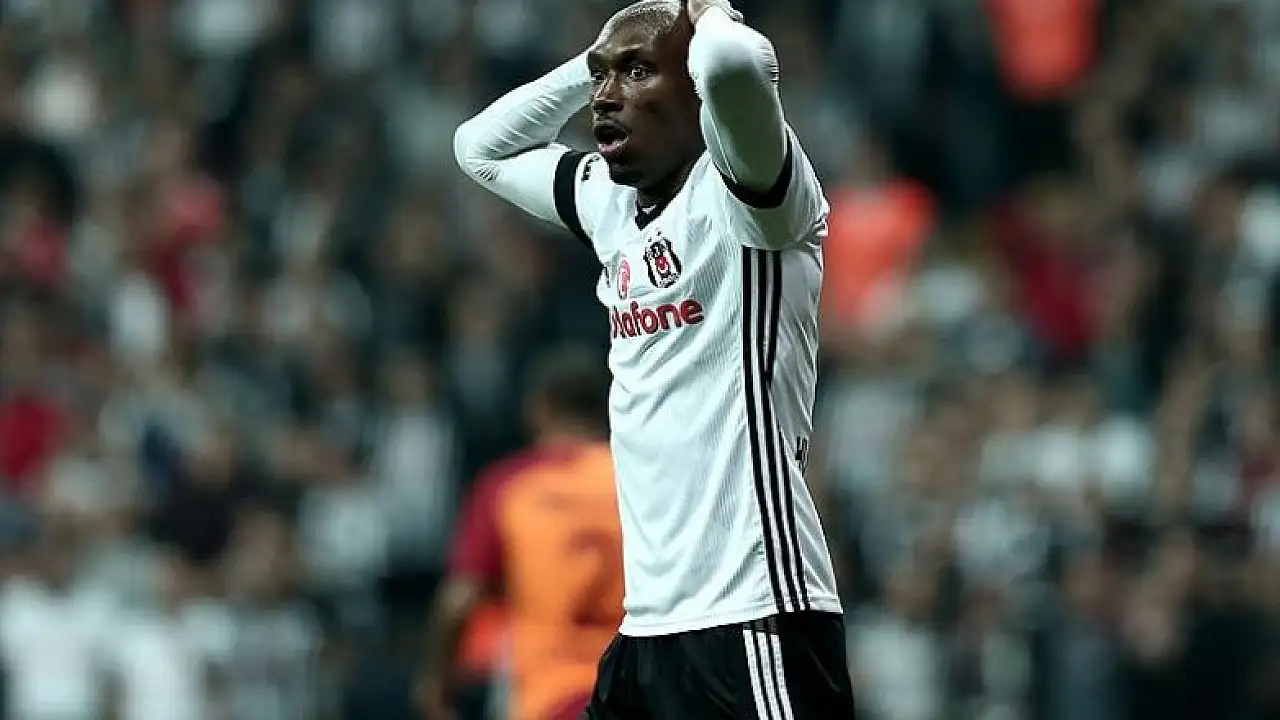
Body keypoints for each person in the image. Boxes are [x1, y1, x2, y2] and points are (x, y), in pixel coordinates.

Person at [453, 0, 856, 716]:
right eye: (602, 78)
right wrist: (596, 62)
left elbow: (734, 63)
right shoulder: (609, 204)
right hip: (646, 631)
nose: (605, 96)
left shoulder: (753, 196)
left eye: (637, 72)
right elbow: (479, 148)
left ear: (696, 92)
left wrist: (707, 11)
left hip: (753, 613)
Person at [420, 347, 622, 720]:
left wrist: (434, 685)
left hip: (549, 695)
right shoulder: (635, 480)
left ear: (538, 409)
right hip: (634, 690)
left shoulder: (511, 485)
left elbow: (458, 600)